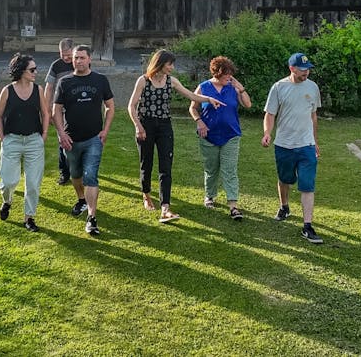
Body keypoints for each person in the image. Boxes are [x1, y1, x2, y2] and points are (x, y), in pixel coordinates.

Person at [126, 49, 224, 224]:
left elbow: (191, 95)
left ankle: (165, 207)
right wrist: (138, 127)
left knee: (166, 166)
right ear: (160, 63)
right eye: (170, 64)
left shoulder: (171, 81)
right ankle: (146, 195)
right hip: (145, 125)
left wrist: (209, 99)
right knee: (146, 163)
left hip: (164, 126)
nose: (172, 67)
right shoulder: (143, 81)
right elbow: (131, 106)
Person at [52, 45, 114, 236]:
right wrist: (62, 134)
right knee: (75, 175)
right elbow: (56, 111)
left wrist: (105, 130)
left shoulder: (100, 80)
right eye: (75, 58)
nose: (77, 61)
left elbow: (110, 106)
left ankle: (92, 218)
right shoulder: (64, 82)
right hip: (71, 139)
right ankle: (81, 199)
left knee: (90, 176)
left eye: (81, 57)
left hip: (93, 138)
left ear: (89, 60)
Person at [262, 52, 324, 244]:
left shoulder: (313, 87)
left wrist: (315, 142)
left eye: (308, 69)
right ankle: (284, 206)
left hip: (306, 145)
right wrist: (267, 133)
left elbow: (313, 116)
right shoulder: (279, 87)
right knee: (285, 179)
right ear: (292, 69)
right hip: (284, 144)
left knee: (307, 185)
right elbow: (270, 114)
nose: (306, 73)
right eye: (302, 70)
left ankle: (307, 226)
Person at [190, 56, 252, 220]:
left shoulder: (233, 87)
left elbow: (248, 104)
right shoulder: (203, 87)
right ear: (217, 74)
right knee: (211, 169)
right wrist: (199, 122)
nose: (229, 78)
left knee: (229, 170)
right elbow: (193, 108)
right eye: (226, 76)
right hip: (208, 136)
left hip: (231, 135)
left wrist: (241, 88)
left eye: (231, 75)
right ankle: (210, 196)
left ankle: (233, 205)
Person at [0, 53, 49, 233]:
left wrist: (44, 135)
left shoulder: (38, 90)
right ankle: (7, 201)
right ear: (21, 71)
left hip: (34, 141)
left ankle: (29, 217)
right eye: (32, 70)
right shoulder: (7, 91)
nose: (35, 72)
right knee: (9, 181)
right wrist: (3, 139)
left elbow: (45, 113)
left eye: (35, 69)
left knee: (33, 183)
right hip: (12, 140)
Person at [43, 38, 75, 185]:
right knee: (62, 139)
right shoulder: (56, 65)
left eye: (68, 54)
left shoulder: (79, 62)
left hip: (76, 106)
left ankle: (78, 169)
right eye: (63, 54)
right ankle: (64, 173)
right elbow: (49, 88)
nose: (66, 58)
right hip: (59, 107)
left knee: (78, 138)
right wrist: (47, 109)